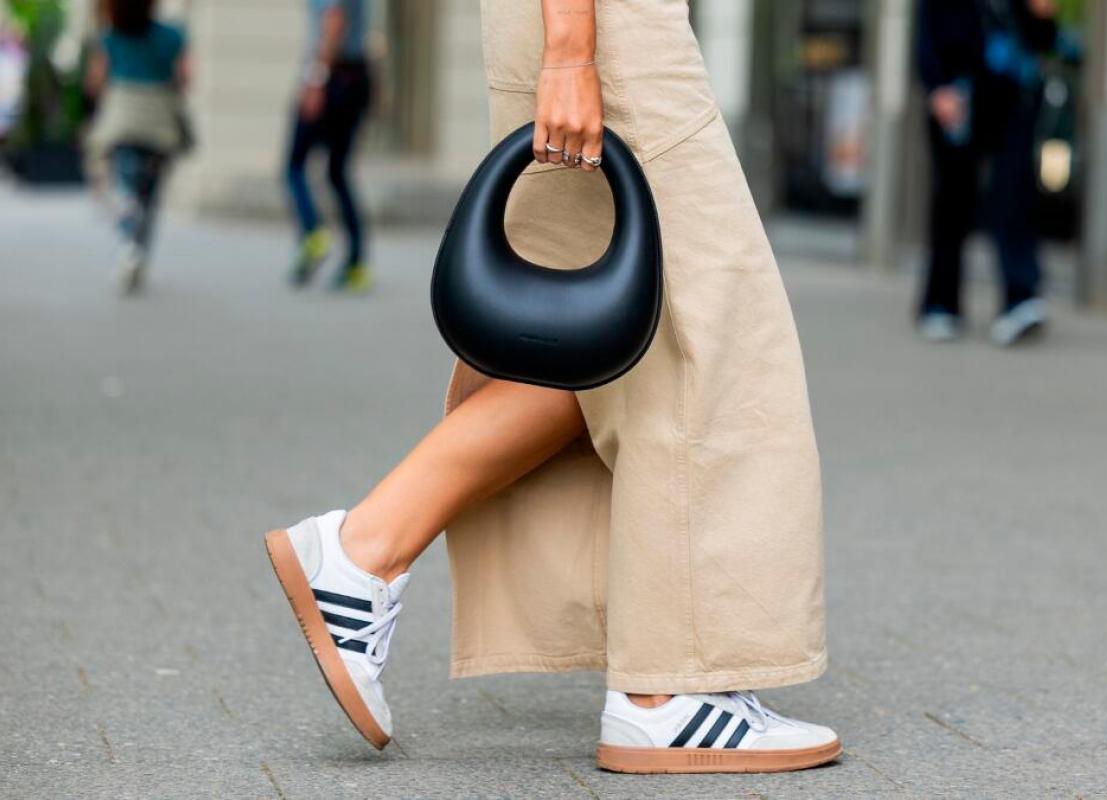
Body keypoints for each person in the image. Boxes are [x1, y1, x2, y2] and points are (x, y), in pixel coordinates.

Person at [264, 0, 838, 774]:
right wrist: (570, 52)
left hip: (581, 26)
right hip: (607, 28)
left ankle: (361, 552)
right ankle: (666, 696)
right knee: (714, 338)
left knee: (608, 344)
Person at [915, 0, 1059, 346]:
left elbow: (1043, 41)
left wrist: (1042, 15)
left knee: (1013, 192)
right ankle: (940, 303)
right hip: (958, 94)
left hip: (1010, 98)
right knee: (953, 198)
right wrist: (936, 86)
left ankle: (1020, 297)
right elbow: (926, 30)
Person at [86, 0, 189, 295]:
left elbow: (95, 81)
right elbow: (185, 77)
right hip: (159, 118)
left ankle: (128, 243)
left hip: (124, 115)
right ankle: (138, 250)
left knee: (126, 185)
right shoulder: (173, 35)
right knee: (151, 194)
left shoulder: (110, 35)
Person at [284, 0, 372, 293]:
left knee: (294, 165)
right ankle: (357, 264)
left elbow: (333, 20)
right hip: (357, 75)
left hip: (333, 78)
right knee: (338, 171)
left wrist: (315, 81)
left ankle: (313, 232)